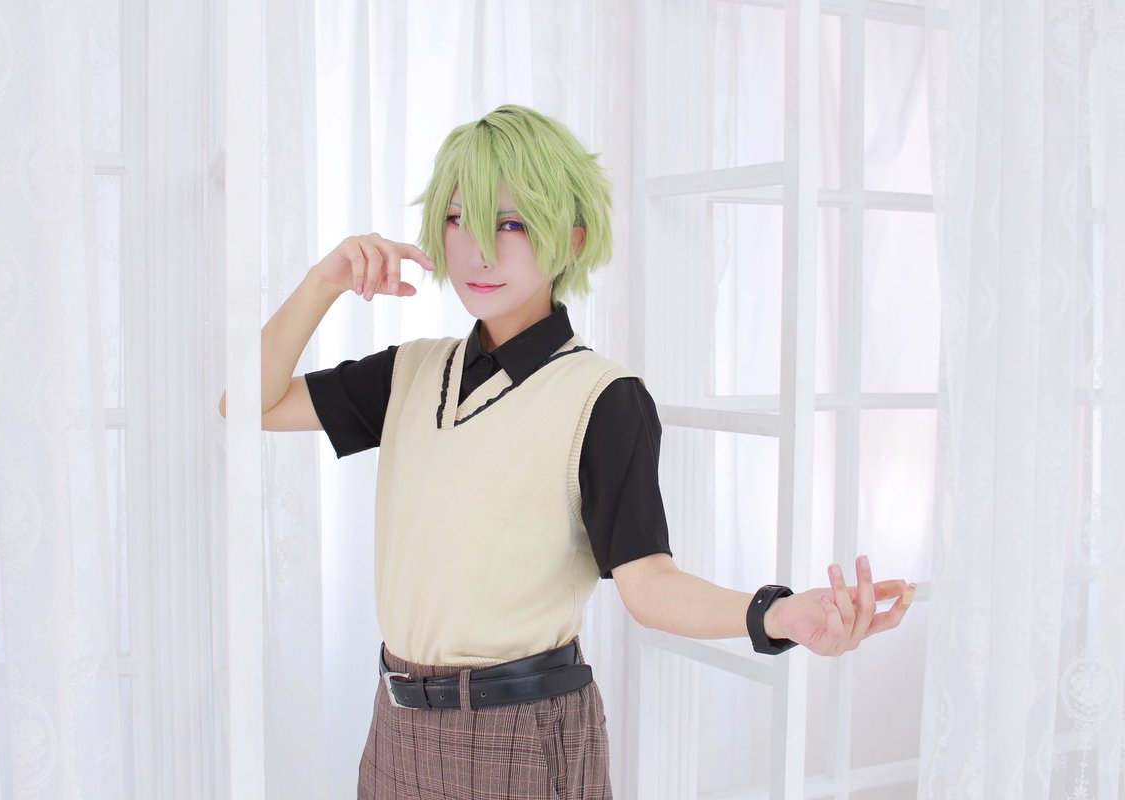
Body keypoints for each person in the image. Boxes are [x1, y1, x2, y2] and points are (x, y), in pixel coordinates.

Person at [220, 104, 916, 800]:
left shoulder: (602, 397)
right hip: (395, 728)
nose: (479, 250)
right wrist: (324, 281)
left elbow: (649, 584)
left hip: (517, 735)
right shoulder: (410, 372)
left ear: (571, 239)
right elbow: (245, 404)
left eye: (512, 224)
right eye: (459, 218)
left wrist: (774, 614)